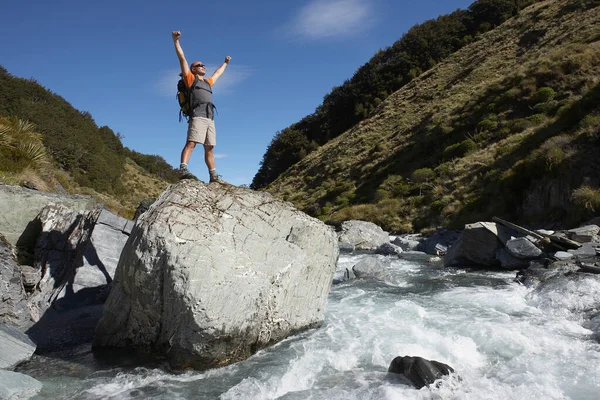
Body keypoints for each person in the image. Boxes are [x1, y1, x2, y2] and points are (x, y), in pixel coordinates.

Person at [172, 30, 231, 183]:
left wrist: (225, 63)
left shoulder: (207, 82)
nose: (203, 66)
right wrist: (176, 41)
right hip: (197, 115)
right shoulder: (190, 79)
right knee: (191, 143)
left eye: (204, 65)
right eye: (200, 65)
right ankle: (183, 169)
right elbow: (182, 58)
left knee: (210, 147)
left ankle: (213, 176)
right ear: (193, 69)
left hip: (210, 117)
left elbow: (218, 73)